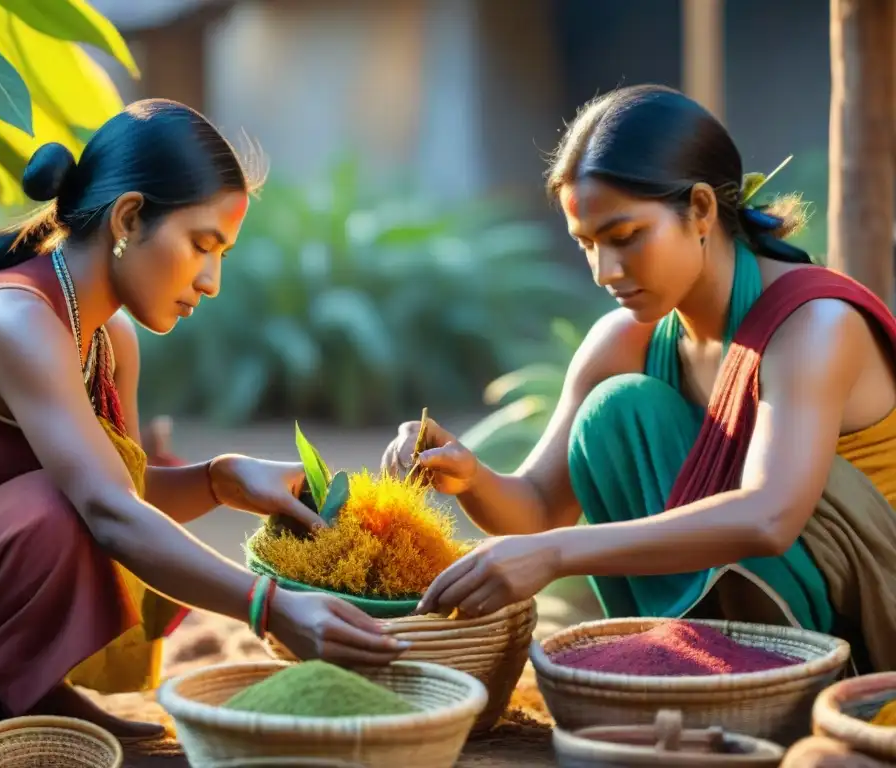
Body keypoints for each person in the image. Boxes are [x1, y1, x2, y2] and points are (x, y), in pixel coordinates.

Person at [0, 99, 405, 768]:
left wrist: (221, 479)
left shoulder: (108, 337)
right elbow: (106, 511)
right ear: (128, 219)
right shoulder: (16, 322)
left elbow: (122, 492)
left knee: (83, 504)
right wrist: (271, 607)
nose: (210, 281)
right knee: (66, 508)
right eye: (202, 245)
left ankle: (24, 685)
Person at [382, 84, 896, 674]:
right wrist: (469, 474)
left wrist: (554, 554)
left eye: (625, 238)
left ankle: (775, 680)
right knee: (618, 412)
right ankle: (688, 665)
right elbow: (539, 508)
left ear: (701, 210)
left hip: (862, 618)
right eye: (587, 245)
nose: (606, 271)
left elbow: (769, 518)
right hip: (742, 617)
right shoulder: (627, 340)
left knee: (622, 409)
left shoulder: (812, 324)